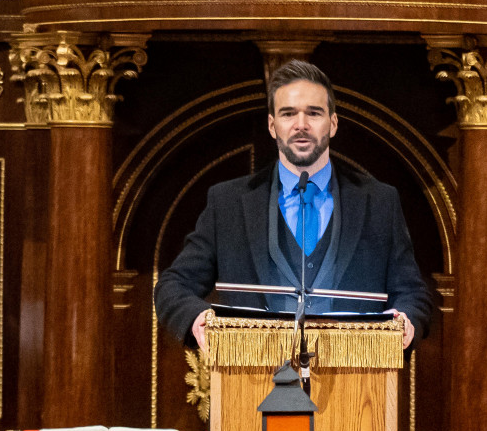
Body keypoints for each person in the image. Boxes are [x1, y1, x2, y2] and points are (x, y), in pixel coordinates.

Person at [154, 60, 432, 352]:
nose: (301, 125)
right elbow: (173, 285)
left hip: (356, 372)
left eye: (314, 113)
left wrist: (407, 319)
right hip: (253, 371)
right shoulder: (227, 203)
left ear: (333, 124)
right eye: (288, 114)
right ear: (272, 125)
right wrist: (197, 318)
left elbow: (412, 293)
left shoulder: (380, 202)